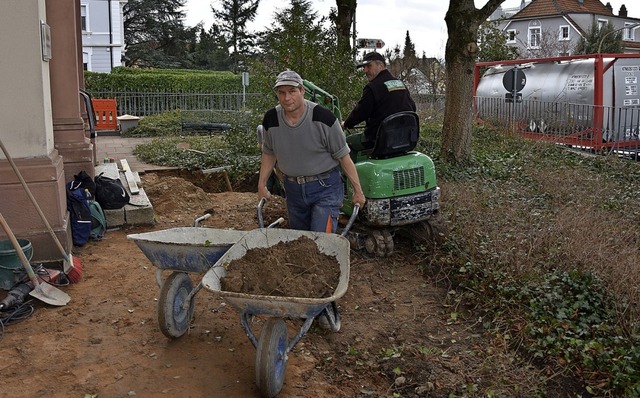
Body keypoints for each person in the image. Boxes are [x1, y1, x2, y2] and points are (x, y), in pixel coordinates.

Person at [258, 70, 366, 233]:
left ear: (302, 91)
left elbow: (344, 157)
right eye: (282, 93)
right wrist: (261, 184)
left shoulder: (324, 118)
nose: (287, 98)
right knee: (301, 241)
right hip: (293, 189)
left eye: (292, 91)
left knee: (321, 240)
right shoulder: (271, 119)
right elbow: (269, 153)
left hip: (325, 187)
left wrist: (358, 191)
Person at [342, 51, 417, 150]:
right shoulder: (399, 84)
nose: (365, 70)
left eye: (369, 66)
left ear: (380, 65)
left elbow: (360, 112)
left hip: (380, 140)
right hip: (404, 139)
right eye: (364, 67)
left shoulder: (372, 87)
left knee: (344, 144)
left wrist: (346, 124)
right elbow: (412, 108)